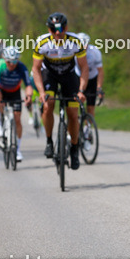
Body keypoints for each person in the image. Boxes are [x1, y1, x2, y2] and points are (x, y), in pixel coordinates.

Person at [32, 13, 88, 170]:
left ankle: (74, 148)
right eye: (53, 29)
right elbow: (36, 69)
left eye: (61, 29)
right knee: (48, 104)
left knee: (73, 113)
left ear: (67, 28)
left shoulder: (75, 41)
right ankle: (49, 141)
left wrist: (81, 90)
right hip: (50, 75)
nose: (58, 32)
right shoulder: (42, 43)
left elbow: (84, 68)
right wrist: (41, 92)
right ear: (49, 30)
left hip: (69, 76)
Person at [0, 47, 34, 163]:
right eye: (9, 61)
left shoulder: (21, 67)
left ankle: (17, 149)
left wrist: (29, 96)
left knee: (17, 119)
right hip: (1, 89)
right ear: (4, 59)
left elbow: (28, 85)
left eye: (15, 61)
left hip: (15, 91)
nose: (12, 64)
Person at [75, 32, 104, 116]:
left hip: (92, 78)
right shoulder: (73, 52)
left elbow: (100, 71)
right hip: (78, 78)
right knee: (75, 105)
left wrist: (99, 87)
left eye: (85, 44)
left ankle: (87, 127)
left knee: (90, 107)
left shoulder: (95, 52)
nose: (83, 47)